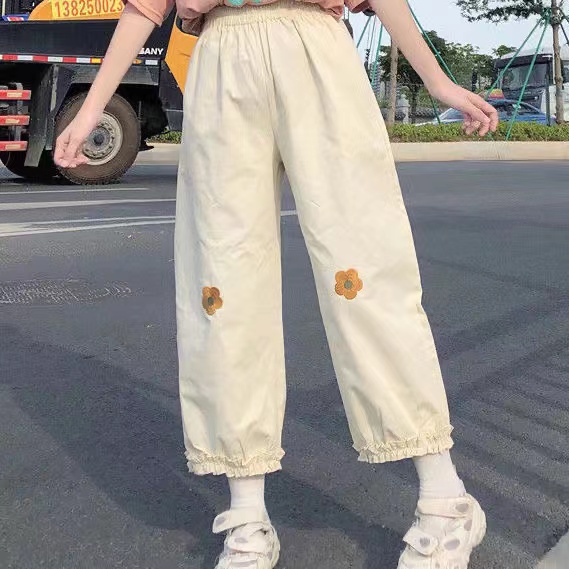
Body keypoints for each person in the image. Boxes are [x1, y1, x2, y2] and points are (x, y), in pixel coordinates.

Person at [54, 0, 498, 567]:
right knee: (222, 289)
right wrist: (92, 107)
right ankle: (247, 517)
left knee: (365, 274)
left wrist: (437, 80)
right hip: (221, 59)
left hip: (316, 51)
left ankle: (444, 498)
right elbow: (146, 6)